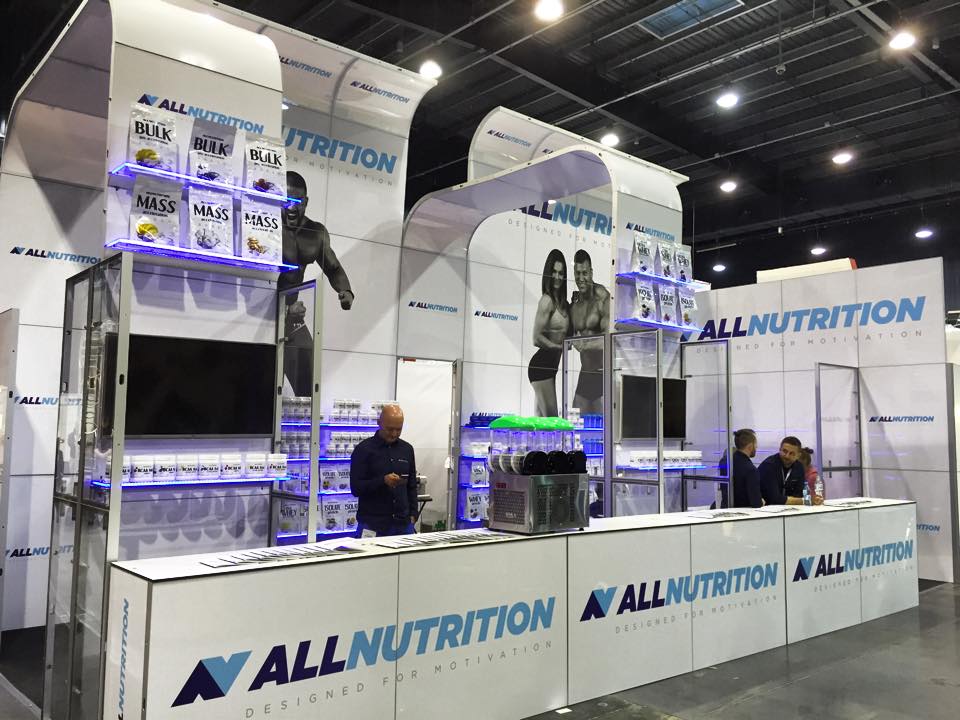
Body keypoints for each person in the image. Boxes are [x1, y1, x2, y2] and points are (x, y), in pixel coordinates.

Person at [279, 170, 354, 395]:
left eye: (297, 202)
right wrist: (282, 308)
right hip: (261, 316)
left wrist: (346, 291)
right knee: (259, 382)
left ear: (306, 201)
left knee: (308, 385)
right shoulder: (267, 226)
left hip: (292, 319)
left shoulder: (315, 233)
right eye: (286, 201)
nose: (291, 208)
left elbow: (333, 268)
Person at [350, 404, 418, 537]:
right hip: (372, 525)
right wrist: (382, 481)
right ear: (379, 423)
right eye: (390, 429)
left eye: (399, 429)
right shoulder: (363, 450)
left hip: (403, 525)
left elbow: (412, 485)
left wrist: (413, 515)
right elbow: (356, 488)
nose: (394, 434)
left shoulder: (407, 449)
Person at [528, 249, 570, 417]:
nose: (557, 277)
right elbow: (536, 338)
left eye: (561, 273)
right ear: (548, 273)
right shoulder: (547, 301)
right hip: (541, 366)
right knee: (552, 421)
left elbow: (570, 337)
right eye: (554, 272)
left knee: (540, 423)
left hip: (551, 368)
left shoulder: (564, 304)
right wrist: (558, 347)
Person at [570, 249, 610, 414]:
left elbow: (609, 340)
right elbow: (572, 336)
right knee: (576, 426)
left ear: (591, 272)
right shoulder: (575, 303)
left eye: (585, 273)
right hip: (585, 374)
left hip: (602, 375)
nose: (581, 278)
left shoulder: (602, 298)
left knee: (604, 428)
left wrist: (584, 345)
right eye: (577, 273)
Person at [757, 436, 807, 506]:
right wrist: (805, 501)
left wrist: (801, 500)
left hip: (789, 508)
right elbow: (774, 499)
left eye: (791, 453)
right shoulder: (769, 465)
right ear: (780, 449)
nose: (787, 456)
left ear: (798, 455)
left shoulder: (799, 467)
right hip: (766, 508)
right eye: (784, 451)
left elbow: (799, 495)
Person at [727, 428, 763, 508]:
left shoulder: (726, 462)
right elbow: (756, 503)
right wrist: (761, 501)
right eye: (755, 444)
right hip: (743, 512)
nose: (756, 447)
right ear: (750, 446)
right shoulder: (751, 470)